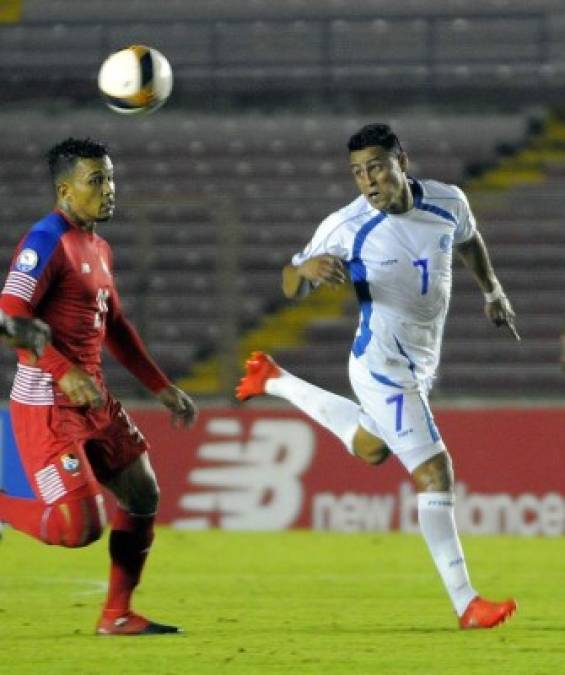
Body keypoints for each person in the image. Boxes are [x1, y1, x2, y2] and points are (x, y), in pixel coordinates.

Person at [236, 123, 519, 630]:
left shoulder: (447, 203)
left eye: (376, 168)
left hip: (421, 361)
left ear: (401, 162)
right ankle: (466, 603)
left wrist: (493, 291)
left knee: (372, 448)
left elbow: (470, 241)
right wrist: (305, 273)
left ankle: (273, 379)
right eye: (358, 173)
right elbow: (288, 281)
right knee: (435, 473)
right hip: (381, 364)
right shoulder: (345, 226)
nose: (368, 181)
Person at [0, 137, 198, 635]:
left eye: (110, 178)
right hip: (48, 399)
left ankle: (118, 614)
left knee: (143, 493)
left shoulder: (98, 246)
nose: (109, 190)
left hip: (93, 397)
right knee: (79, 528)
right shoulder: (46, 240)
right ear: (65, 189)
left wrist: (161, 387)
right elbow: (10, 313)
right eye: (96, 180)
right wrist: (60, 368)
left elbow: (115, 326)